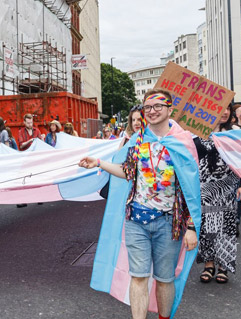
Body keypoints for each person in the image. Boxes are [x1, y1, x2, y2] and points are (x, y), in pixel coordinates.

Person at [79, 90, 199, 319]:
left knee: (165, 279)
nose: (152, 111)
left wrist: (191, 227)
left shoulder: (183, 141)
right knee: (139, 276)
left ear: (170, 109)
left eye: (158, 106)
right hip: (136, 220)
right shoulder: (138, 139)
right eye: (148, 107)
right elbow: (127, 172)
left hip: (169, 223)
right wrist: (99, 163)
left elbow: (190, 189)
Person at [195, 104, 241, 284]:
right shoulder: (197, 134)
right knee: (207, 226)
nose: (225, 112)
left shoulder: (235, 133)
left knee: (225, 226)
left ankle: (223, 265)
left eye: (227, 109)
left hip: (226, 185)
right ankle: (209, 263)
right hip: (203, 186)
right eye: (220, 109)